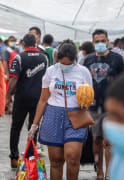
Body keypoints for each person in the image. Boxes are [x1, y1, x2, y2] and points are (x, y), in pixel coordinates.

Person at [28, 40, 93, 180]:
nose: (65, 66)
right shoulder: (51, 71)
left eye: (68, 64)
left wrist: (86, 102)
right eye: (62, 63)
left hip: (76, 116)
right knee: (56, 160)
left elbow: (90, 95)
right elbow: (43, 99)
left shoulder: (83, 72)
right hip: (53, 115)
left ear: (74, 59)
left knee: (73, 157)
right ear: (58, 58)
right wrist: (34, 124)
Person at [83, 29, 124, 180]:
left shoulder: (117, 59)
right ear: (93, 42)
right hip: (93, 106)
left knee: (109, 141)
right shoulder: (87, 60)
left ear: (107, 41)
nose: (100, 43)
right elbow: (83, 83)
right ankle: (99, 172)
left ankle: (110, 173)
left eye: (103, 40)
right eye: (97, 41)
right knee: (96, 140)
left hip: (111, 107)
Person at [7, 34, 48, 168]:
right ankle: (30, 157)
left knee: (16, 127)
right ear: (35, 43)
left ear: (24, 43)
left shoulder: (19, 57)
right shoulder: (44, 58)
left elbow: (13, 79)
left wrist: (8, 97)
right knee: (33, 127)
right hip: (38, 98)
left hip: (21, 98)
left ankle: (14, 158)